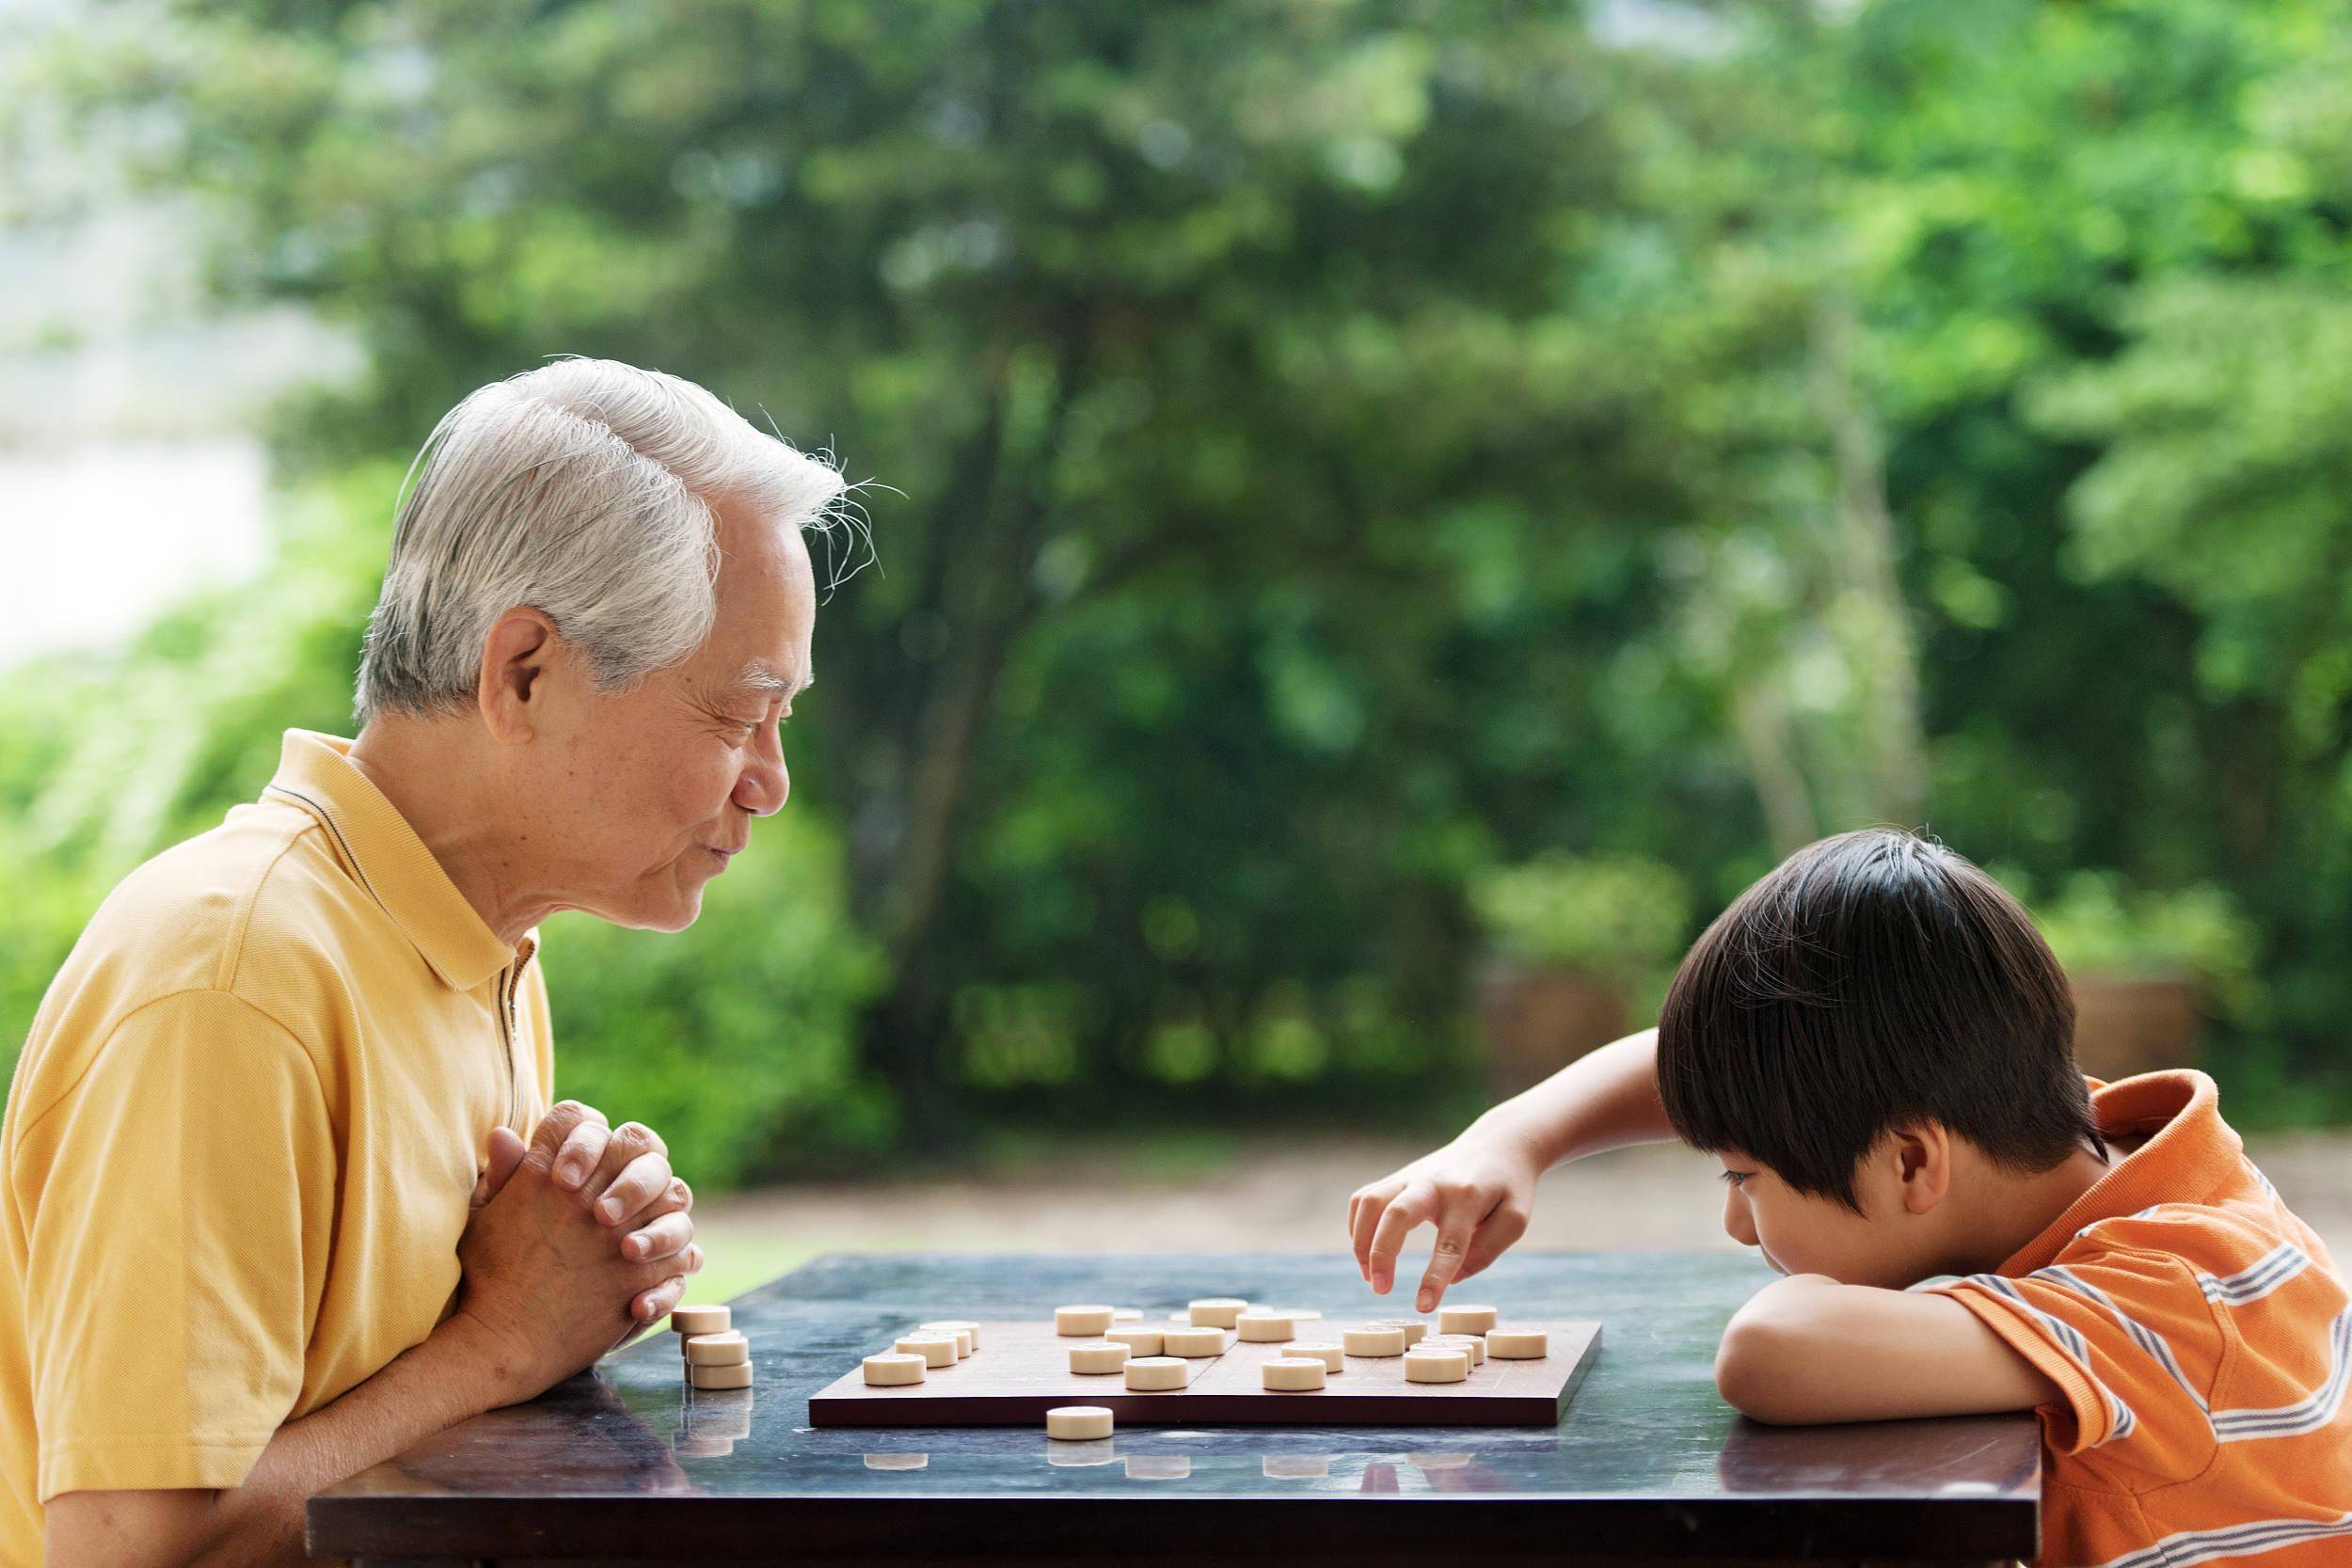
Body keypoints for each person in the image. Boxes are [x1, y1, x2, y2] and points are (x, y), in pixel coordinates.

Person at [2, 357, 845, 1567]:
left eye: (783, 719)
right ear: (525, 672)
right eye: (736, 713)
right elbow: (134, 1550)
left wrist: (573, 1268)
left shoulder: (476, 941)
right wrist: (507, 1336)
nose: (768, 782)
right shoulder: (230, 973)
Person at [1350, 828, 2352, 1567]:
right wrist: (1515, 1136)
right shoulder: (2057, 1136)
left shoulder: (2165, 1299)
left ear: (1913, 1164)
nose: (1735, 1223)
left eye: (1744, 1177)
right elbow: (1734, 1064)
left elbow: (1770, 1349)